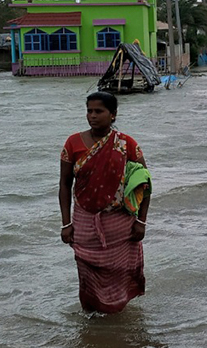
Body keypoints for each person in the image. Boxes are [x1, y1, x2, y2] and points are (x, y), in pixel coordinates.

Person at [59, 92, 151, 313]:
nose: (92, 116)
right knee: (86, 270)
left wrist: (141, 222)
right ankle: (92, 318)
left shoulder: (126, 145)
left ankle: (117, 319)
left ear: (113, 115)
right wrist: (65, 224)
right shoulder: (73, 143)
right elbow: (64, 185)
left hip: (119, 225)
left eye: (98, 111)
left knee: (119, 271)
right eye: (89, 111)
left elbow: (144, 184)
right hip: (85, 223)